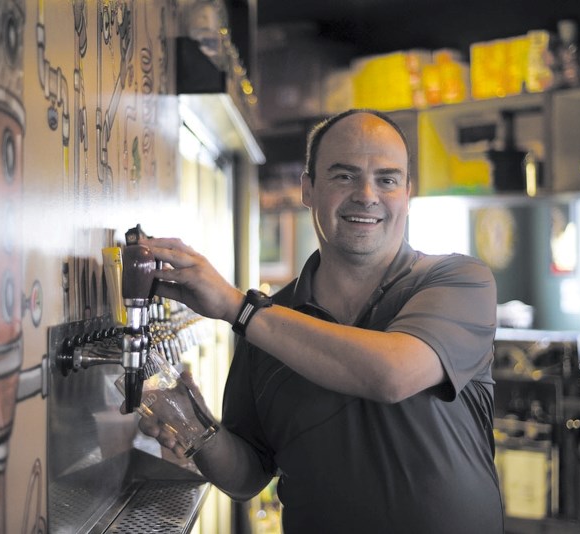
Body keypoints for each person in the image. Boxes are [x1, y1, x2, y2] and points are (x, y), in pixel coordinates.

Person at [141, 109, 504, 533]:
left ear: (408, 193)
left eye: (387, 179)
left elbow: (392, 374)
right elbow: (249, 475)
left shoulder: (459, 282)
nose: (367, 195)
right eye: (344, 176)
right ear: (308, 189)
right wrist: (193, 426)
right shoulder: (269, 323)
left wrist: (239, 309)